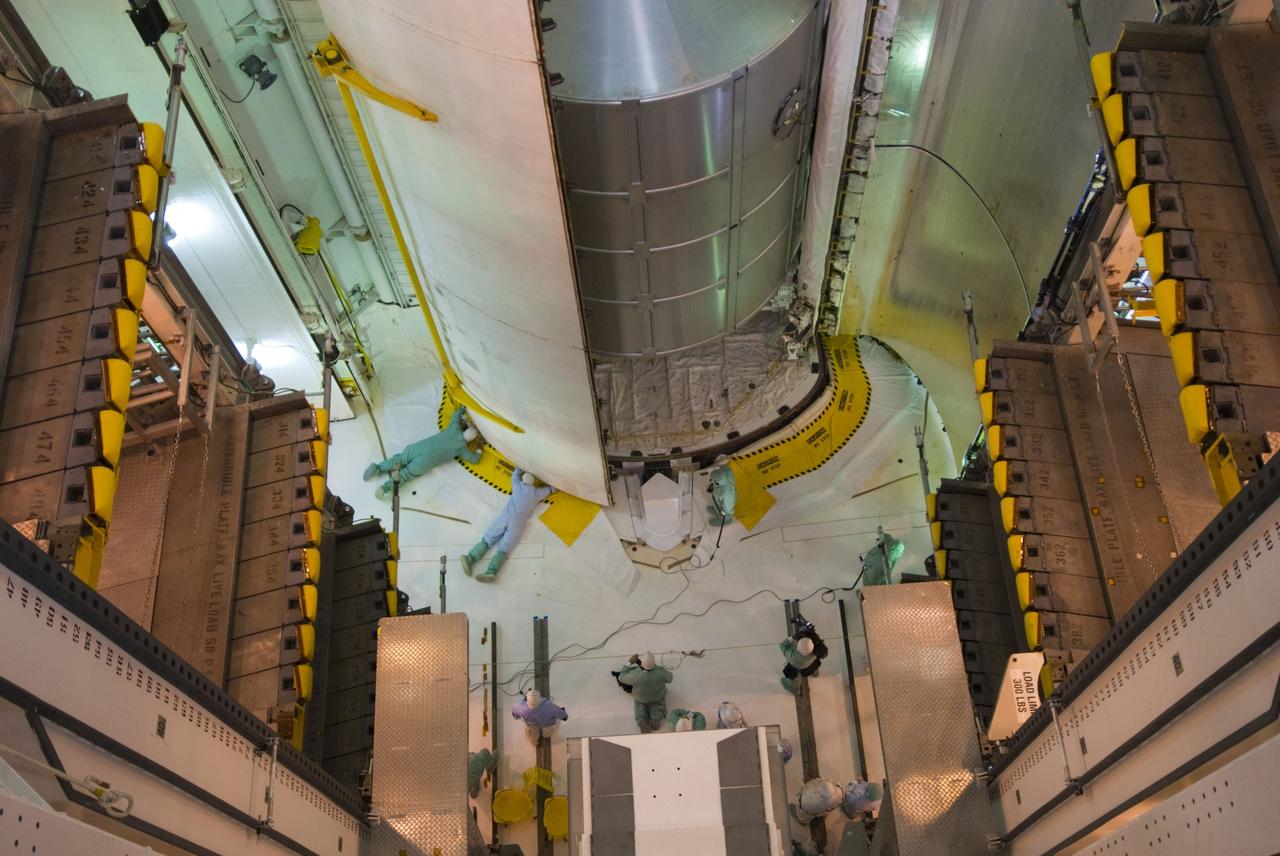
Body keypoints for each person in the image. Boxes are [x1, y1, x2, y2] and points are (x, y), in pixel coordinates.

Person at [363, 407, 482, 498]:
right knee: (405, 475)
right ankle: (384, 489)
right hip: (424, 463)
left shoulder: (454, 428)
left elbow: (455, 415)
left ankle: (378, 468)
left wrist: (463, 409)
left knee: (399, 460)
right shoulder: (462, 449)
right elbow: (475, 460)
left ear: (464, 429)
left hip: (418, 448)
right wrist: (479, 448)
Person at [462, 468, 554, 581]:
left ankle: (470, 559)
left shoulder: (517, 486)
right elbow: (550, 489)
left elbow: (515, 475)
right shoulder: (536, 493)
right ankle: (491, 571)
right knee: (504, 548)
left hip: (505, 518)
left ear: (523, 480)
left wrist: (519, 467)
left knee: (488, 538)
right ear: (533, 483)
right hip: (518, 524)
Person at [615, 652, 673, 733]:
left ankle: (641, 719)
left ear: (642, 663)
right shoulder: (660, 672)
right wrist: (661, 669)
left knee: (639, 705)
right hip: (657, 696)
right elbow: (670, 678)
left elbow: (621, 677)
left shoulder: (636, 674)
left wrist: (629, 662)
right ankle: (656, 717)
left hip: (640, 697)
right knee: (657, 705)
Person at [781, 617, 829, 694]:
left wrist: (793, 638)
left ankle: (796, 689)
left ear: (797, 648)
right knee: (814, 665)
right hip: (810, 666)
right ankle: (815, 673)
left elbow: (782, 646)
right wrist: (813, 636)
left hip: (796, 667)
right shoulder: (815, 653)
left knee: (790, 672)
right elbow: (820, 646)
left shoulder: (792, 657)